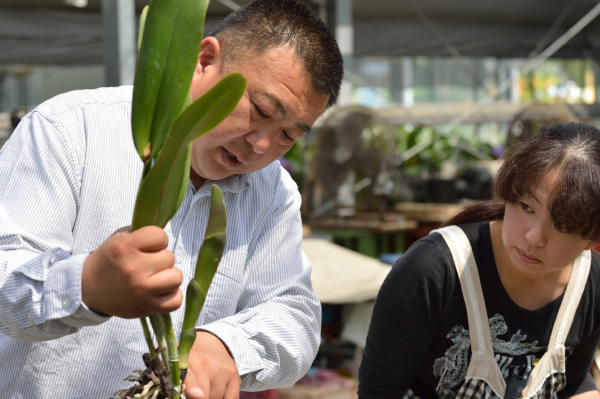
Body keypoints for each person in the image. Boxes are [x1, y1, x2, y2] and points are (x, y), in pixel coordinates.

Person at [0, 0, 343, 398]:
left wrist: (228, 346)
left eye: (289, 135)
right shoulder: (71, 130)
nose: (261, 144)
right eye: (261, 109)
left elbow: (295, 317)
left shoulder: (272, 193)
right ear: (204, 59)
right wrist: (86, 285)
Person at [358, 122, 600, 399]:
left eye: (564, 226)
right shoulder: (432, 270)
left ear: (593, 240)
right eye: (526, 207)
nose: (534, 238)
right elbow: (378, 393)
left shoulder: (590, 284)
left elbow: (573, 382)